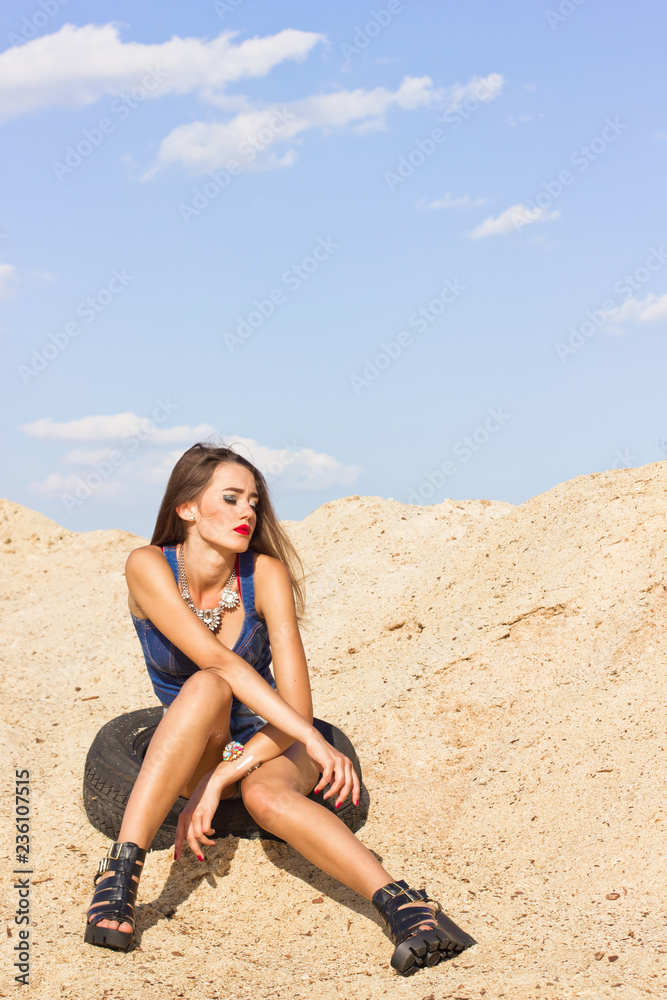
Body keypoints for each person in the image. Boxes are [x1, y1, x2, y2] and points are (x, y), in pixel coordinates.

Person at [84, 442, 474, 974]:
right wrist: (307, 739)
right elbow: (221, 664)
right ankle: (119, 877)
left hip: (273, 735)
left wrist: (227, 777)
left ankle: (407, 907)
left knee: (264, 798)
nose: (248, 511)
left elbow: (298, 706)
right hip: (199, 733)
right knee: (207, 685)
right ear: (187, 508)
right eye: (231, 498)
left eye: (254, 500)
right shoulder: (147, 566)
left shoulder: (264, 575)